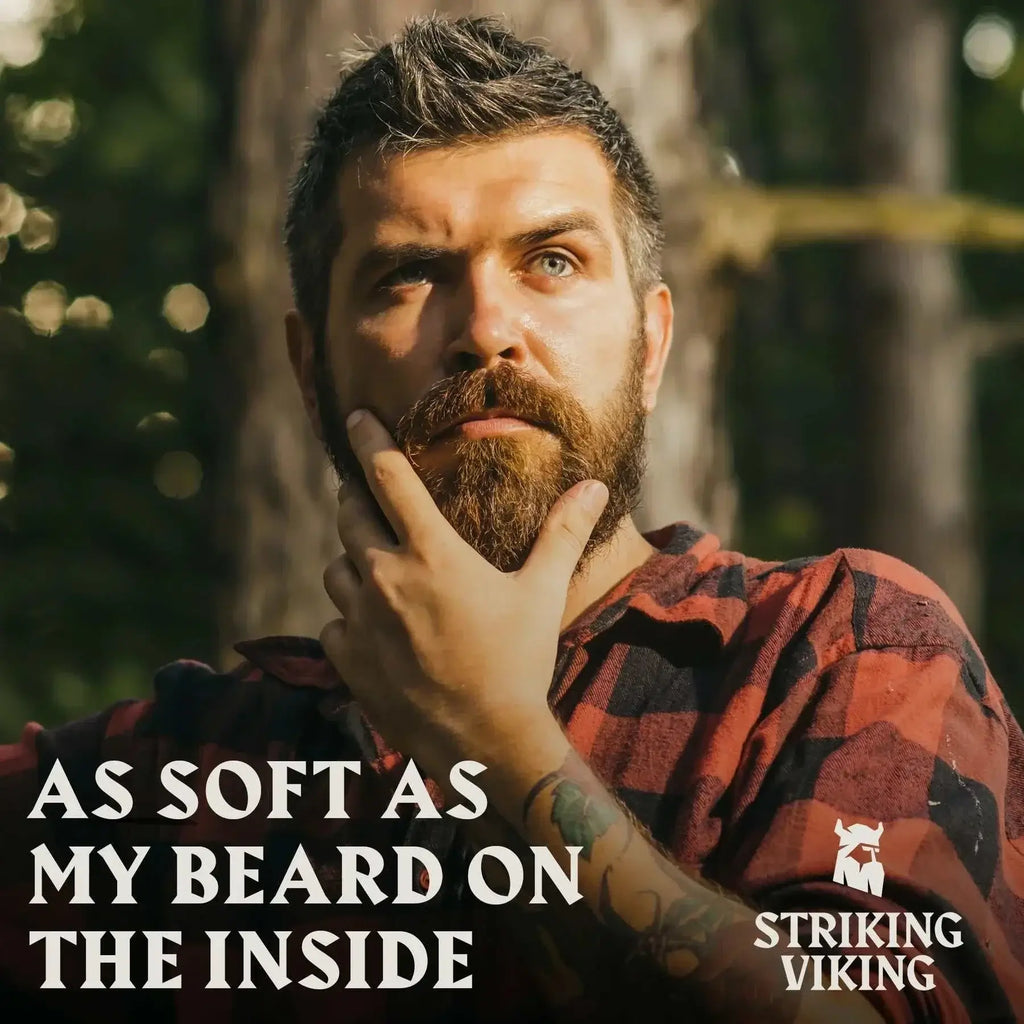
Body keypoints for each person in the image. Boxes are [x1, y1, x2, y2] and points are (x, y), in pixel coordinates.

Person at [2, 13, 1022, 1024]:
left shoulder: (839, 647)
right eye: (408, 275)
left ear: (651, 347)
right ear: (311, 372)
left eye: (552, 262)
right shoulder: (173, 780)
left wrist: (491, 742)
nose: (487, 330)